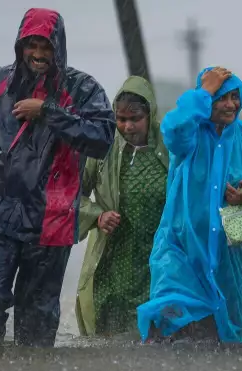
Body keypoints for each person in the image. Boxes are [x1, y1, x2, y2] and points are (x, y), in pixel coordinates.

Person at [0, 8, 116, 347]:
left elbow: (102, 139)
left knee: (37, 317)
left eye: (47, 47)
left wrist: (47, 112)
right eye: (32, 45)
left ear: (59, 48)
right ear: (20, 45)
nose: (39, 54)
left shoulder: (84, 89)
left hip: (52, 220)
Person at [137, 66, 242, 343]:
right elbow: (171, 129)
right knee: (168, 320)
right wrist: (204, 91)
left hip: (232, 251)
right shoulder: (190, 135)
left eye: (235, 96)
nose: (230, 104)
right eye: (221, 97)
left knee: (224, 335)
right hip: (181, 246)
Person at [75, 76, 169, 338]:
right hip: (112, 258)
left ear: (149, 114)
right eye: (121, 119)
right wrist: (98, 215)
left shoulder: (169, 146)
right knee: (109, 336)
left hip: (157, 257)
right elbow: (72, 195)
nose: (127, 126)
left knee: (155, 333)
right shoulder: (102, 147)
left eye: (135, 118)